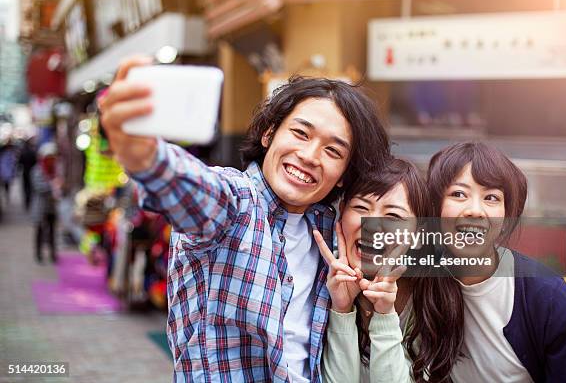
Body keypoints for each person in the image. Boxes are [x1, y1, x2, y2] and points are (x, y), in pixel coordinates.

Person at [99, 56, 390, 382]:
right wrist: (144, 156)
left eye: (333, 151)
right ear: (268, 134)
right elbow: (191, 188)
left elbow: (424, 249)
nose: (309, 156)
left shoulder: (329, 228)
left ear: (342, 176)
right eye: (300, 133)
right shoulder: (235, 204)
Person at [359, 142, 566, 382]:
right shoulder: (421, 277)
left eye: (492, 198)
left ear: (506, 218)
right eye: (459, 194)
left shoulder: (544, 293)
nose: (475, 210)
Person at [316, 157, 464, 383]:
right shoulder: (319, 280)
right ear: (342, 211)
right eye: (361, 207)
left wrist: (385, 313)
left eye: (393, 216)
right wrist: (342, 309)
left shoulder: (435, 294)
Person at [31, 142, 61, 263]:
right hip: (40, 206)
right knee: (40, 231)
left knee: (52, 231)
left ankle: (53, 253)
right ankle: (38, 254)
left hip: (52, 207)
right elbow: (38, 186)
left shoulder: (55, 169)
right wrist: (53, 186)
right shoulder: (37, 170)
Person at [19, 137, 38, 211]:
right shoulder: (32, 152)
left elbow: (19, 162)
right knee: (30, 187)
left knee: (26, 187)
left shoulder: (23, 152)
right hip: (31, 172)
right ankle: (29, 201)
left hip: (25, 172)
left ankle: (27, 202)